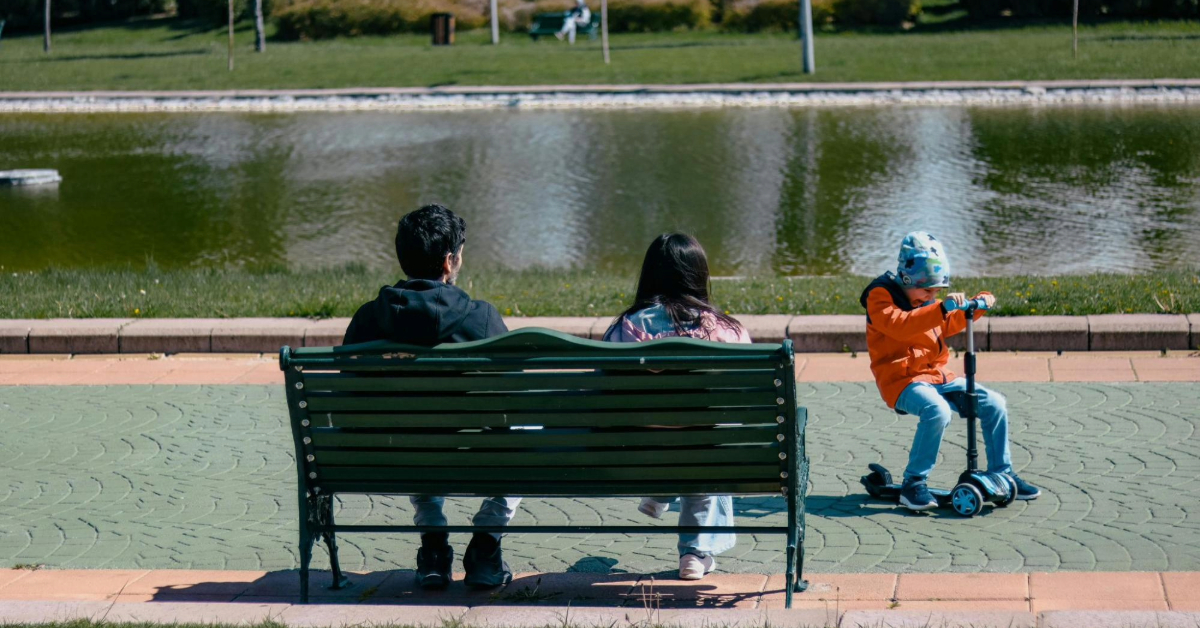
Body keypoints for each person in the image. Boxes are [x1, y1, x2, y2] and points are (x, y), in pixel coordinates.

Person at [342, 204, 517, 589]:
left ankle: (434, 545)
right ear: (450, 261)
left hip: (392, 456)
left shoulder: (368, 319)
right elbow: (513, 400)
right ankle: (487, 539)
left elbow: (349, 401)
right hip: (471, 456)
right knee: (526, 427)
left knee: (415, 431)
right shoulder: (481, 318)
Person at [860, 231, 1041, 511]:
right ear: (908, 280)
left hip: (937, 376)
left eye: (937, 292)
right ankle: (914, 484)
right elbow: (901, 325)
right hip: (901, 380)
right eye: (927, 291)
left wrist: (975, 307)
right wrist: (941, 307)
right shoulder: (880, 295)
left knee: (994, 403)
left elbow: (944, 323)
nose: (932, 296)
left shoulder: (928, 301)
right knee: (937, 411)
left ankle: (1002, 473)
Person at [603, 233, 748, 580]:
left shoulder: (625, 328)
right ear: (700, 276)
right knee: (707, 443)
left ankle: (660, 489)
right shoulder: (728, 331)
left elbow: (603, 392)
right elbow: (742, 401)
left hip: (637, 453)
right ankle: (695, 554)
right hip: (701, 453)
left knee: (675, 435)